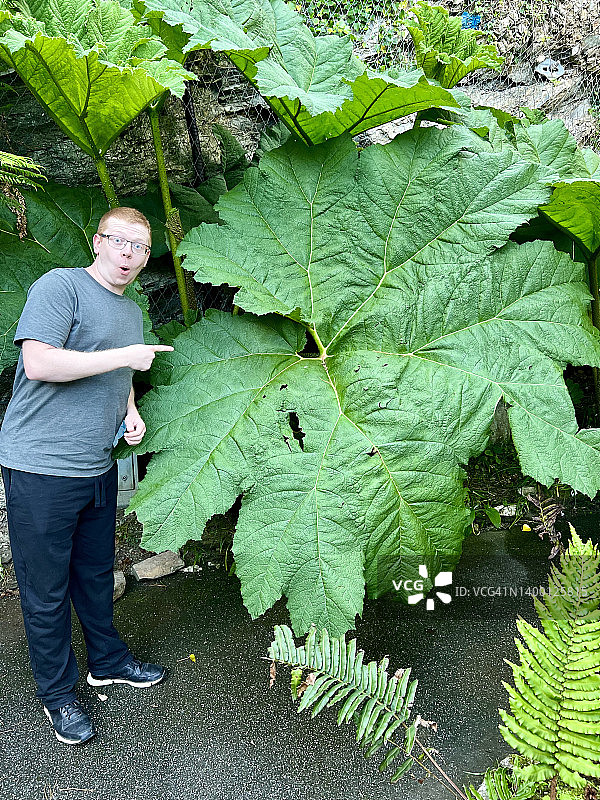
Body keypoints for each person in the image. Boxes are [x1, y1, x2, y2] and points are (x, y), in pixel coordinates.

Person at [0, 207, 174, 745]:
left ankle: (107, 660)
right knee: (46, 591)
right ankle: (57, 695)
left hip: (97, 465)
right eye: (119, 241)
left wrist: (130, 411)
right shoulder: (62, 287)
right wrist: (126, 355)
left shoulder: (130, 312)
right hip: (40, 467)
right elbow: (40, 364)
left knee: (95, 575)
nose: (128, 254)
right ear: (98, 242)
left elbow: (117, 371)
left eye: (140, 248)